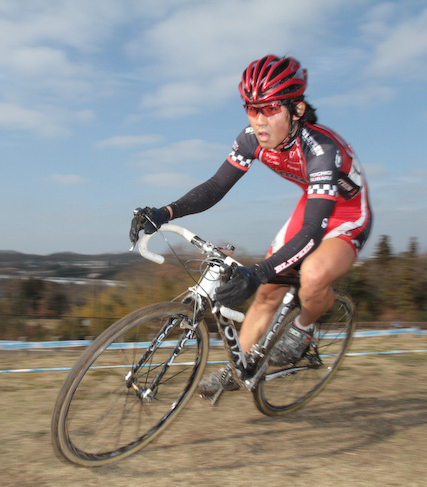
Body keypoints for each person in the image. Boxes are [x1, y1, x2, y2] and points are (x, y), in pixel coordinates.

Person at [129, 54, 372, 398]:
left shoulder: (321, 149)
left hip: (347, 217)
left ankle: (303, 329)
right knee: (267, 292)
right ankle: (238, 365)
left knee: (313, 277)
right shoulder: (251, 140)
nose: (259, 121)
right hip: (313, 205)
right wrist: (166, 212)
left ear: (296, 110)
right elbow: (215, 188)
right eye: (251, 109)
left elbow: (314, 231)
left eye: (270, 109)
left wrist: (258, 270)